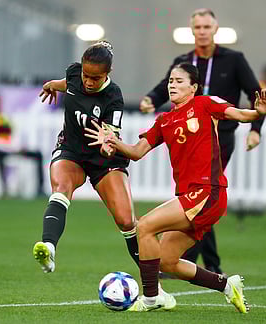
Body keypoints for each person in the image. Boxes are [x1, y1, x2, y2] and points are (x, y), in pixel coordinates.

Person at [85, 63, 266, 312]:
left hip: (208, 192)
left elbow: (239, 114)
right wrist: (113, 141)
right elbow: (137, 152)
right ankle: (228, 286)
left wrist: (257, 113)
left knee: (145, 226)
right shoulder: (164, 120)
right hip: (191, 196)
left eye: (179, 81)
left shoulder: (205, 104)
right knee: (166, 261)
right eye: (170, 81)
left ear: (194, 87)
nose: (172, 85)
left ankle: (151, 298)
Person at [31, 40, 175, 309]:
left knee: (126, 221)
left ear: (107, 74)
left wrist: (107, 145)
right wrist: (52, 84)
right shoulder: (76, 74)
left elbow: (112, 141)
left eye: (95, 78)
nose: (88, 82)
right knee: (61, 188)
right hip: (71, 150)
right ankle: (48, 247)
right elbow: (68, 83)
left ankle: (155, 291)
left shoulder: (113, 97)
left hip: (103, 160)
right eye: (86, 75)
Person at [139, 8, 264, 275]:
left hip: (220, 136)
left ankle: (187, 259)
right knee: (197, 198)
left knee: (204, 194)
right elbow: (165, 85)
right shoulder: (184, 60)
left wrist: (256, 128)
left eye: (207, 27)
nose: (202, 32)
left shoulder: (234, 59)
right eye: (198, 28)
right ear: (192, 30)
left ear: (215, 29)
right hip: (189, 133)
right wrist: (151, 98)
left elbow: (255, 94)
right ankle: (210, 265)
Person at [0, 93, 45, 198]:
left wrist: (17, 147)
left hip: (11, 148)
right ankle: (4, 188)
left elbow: (13, 136)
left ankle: (40, 189)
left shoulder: (5, 118)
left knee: (38, 154)